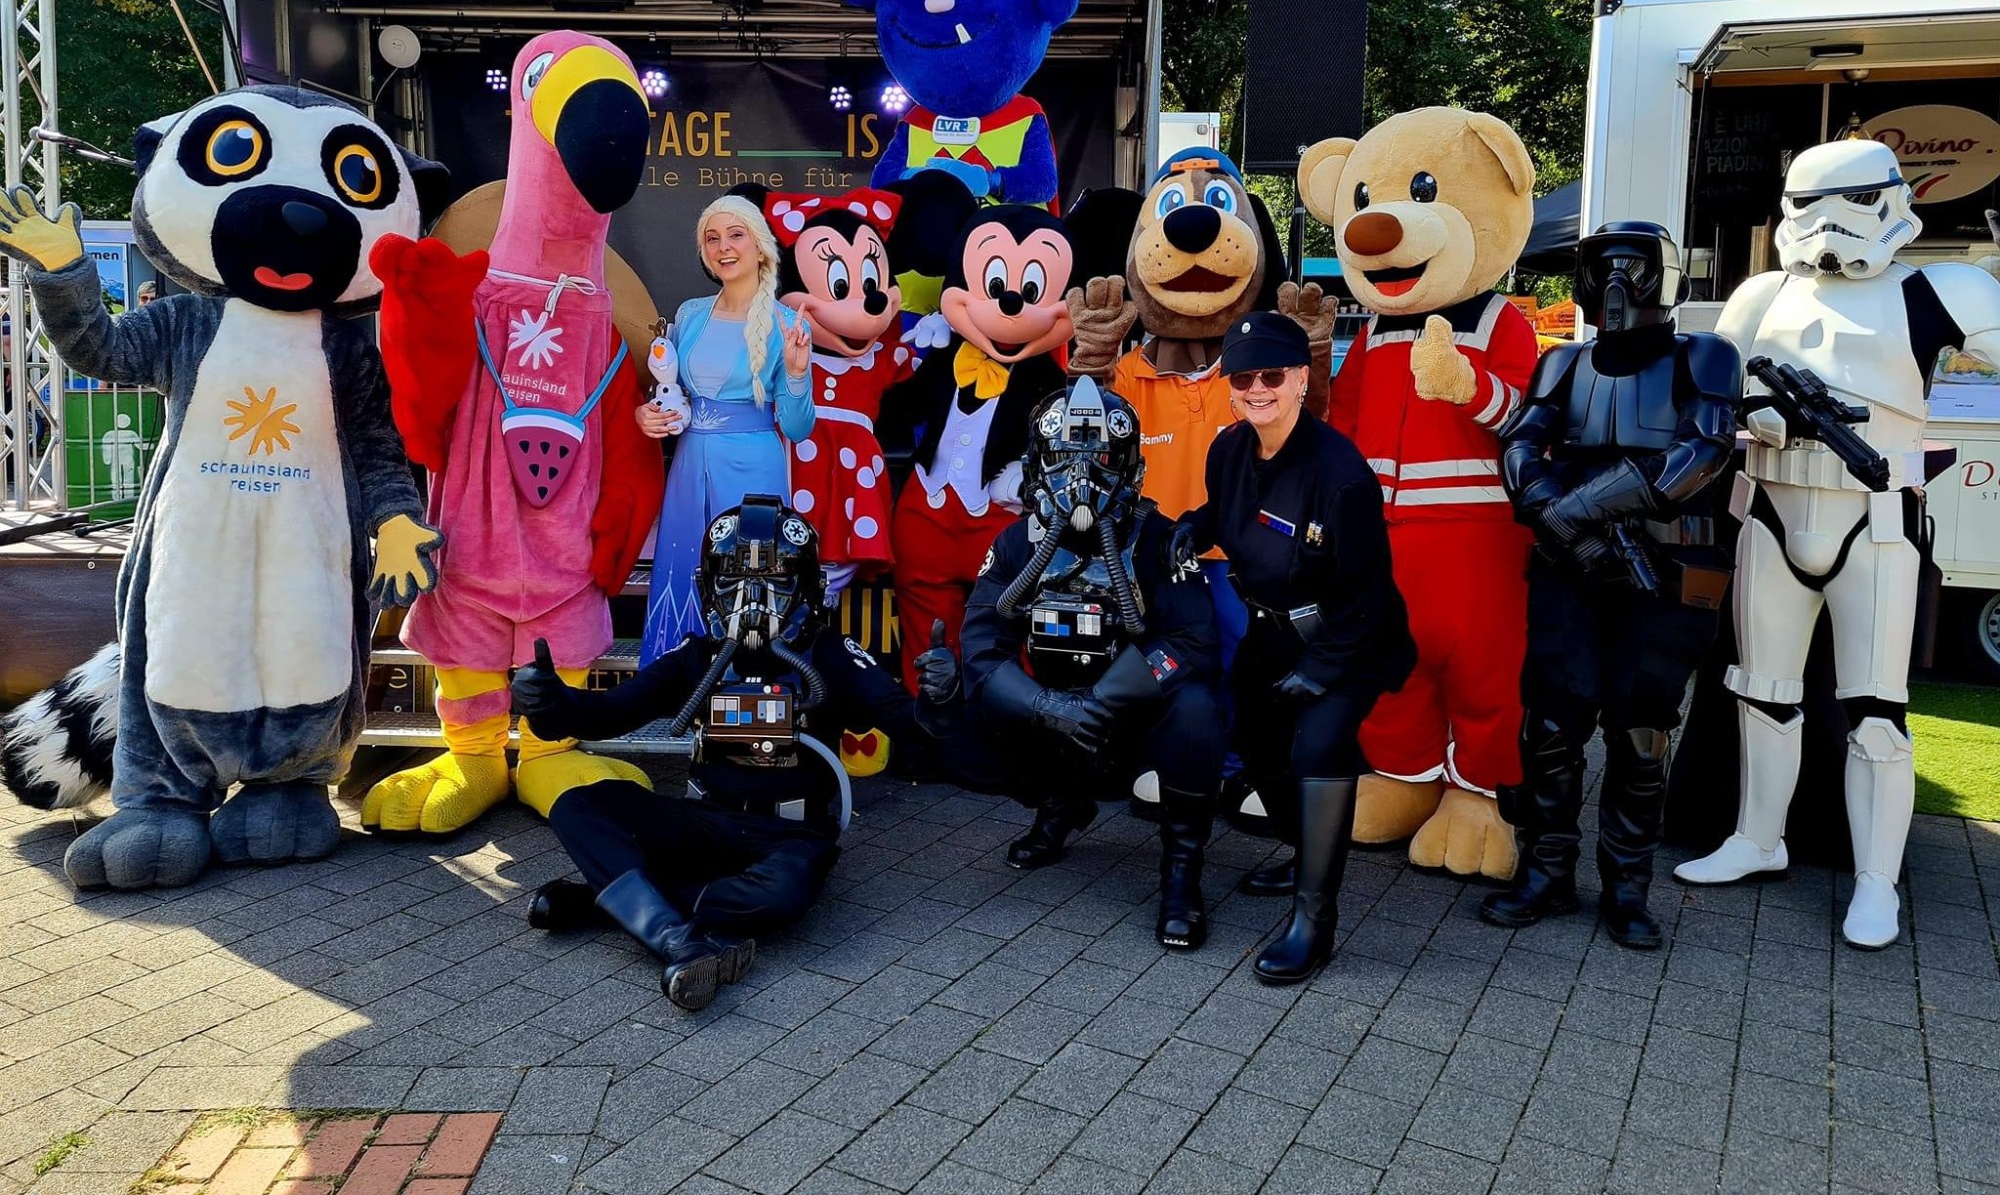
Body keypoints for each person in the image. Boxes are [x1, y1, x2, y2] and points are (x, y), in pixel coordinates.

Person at [1674, 140, 2000, 949]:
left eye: (1851, 200)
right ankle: (1757, 837)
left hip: (1876, 519)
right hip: (1771, 511)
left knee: (1877, 712)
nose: (1827, 223)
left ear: (1890, 198)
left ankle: (1875, 881)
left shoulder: (1940, 290)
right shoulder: (1762, 294)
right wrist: (1751, 414)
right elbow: (1708, 395)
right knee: (1761, 689)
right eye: (1808, 203)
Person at [513, 496, 922, 1009]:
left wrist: (940, 699)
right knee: (579, 804)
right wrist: (549, 702)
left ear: (809, 586)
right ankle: (678, 941)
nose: (754, 597)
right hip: (704, 823)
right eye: (734, 578)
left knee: (782, 896)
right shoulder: (698, 658)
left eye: (776, 578)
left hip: (789, 837)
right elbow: (608, 714)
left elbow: (908, 723)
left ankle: (613, 904)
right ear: (708, 585)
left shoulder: (831, 656)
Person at [1484, 223, 1741, 949]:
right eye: (1603, 266)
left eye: (1632, 265)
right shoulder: (1563, 362)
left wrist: (1573, 509)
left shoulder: (1705, 355)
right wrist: (1552, 512)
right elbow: (1521, 442)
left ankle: (1628, 886)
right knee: (1550, 725)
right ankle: (1547, 870)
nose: (1617, 282)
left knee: (1641, 732)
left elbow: (1704, 451)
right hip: (1571, 569)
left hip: (1661, 574)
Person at [914, 377, 1227, 949]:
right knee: (956, 720)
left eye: (1101, 459)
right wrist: (1047, 706)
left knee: (1197, 712)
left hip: (1131, 722)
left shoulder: (1159, 540)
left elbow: (1195, 644)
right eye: (1063, 460)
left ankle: (1183, 869)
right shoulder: (1016, 544)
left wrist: (1103, 700)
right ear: (1037, 465)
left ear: (1131, 468)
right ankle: (1061, 803)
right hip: (1052, 716)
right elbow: (983, 649)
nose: (1081, 479)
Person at [1173, 312, 1417, 984]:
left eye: (1272, 376)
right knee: (1256, 743)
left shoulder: (1340, 474)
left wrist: (1323, 668)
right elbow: (1224, 513)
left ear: (1303, 379)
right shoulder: (1229, 450)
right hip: (1272, 630)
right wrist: (1191, 529)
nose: (1257, 389)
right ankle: (1303, 852)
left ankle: (1315, 920)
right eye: (1242, 377)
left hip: (1347, 637)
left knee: (1316, 749)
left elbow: (1369, 591)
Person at [640, 191, 815, 658]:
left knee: (749, 581)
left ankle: (748, 674)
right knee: (683, 570)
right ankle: (676, 675)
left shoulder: (786, 324)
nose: (723, 247)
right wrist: (648, 413)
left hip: (754, 471)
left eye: (735, 235)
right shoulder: (689, 314)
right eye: (712, 239)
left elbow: (798, 428)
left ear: (759, 245)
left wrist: (797, 373)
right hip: (688, 468)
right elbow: (670, 392)